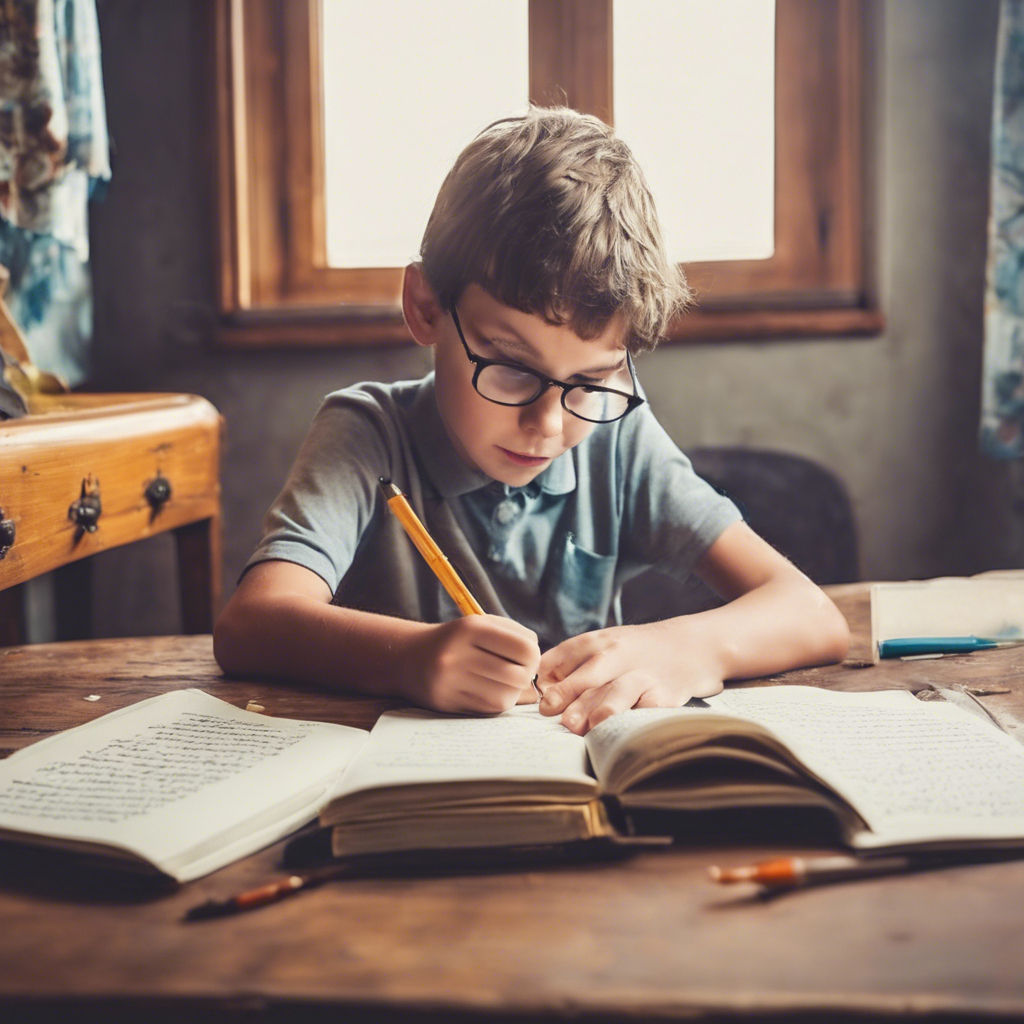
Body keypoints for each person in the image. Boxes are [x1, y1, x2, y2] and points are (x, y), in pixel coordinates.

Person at [213, 107, 849, 735]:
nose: (548, 424)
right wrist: (411, 660)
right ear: (426, 308)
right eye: (513, 368)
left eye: (592, 380)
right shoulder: (367, 435)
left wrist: (690, 648)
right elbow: (251, 625)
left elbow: (811, 615)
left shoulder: (617, 438)